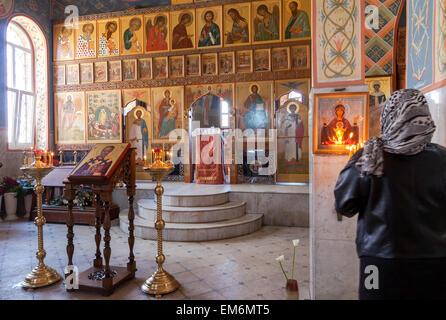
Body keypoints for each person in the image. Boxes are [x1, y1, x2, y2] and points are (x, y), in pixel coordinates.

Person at [334, 89, 446, 300]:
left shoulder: (371, 157)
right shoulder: (443, 159)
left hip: (379, 262)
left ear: (390, 116)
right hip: (436, 261)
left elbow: (344, 205)